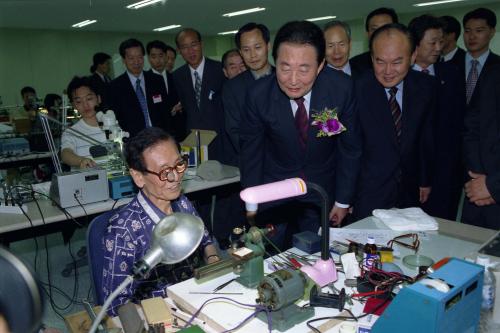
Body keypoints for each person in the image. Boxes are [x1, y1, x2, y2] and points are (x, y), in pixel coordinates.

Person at [240, 20, 361, 249]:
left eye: (304, 69)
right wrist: (252, 203)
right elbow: (251, 153)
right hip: (274, 187)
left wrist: (343, 200)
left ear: (320, 65)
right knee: (269, 253)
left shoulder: (341, 90)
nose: (293, 80)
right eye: (285, 67)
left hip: (321, 188)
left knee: (315, 253)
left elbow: (350, 148)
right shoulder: (258, 96)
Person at [102, 127, 219, 315]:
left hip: (195, 296)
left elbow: (205, 240)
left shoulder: (182, 203)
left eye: (179, 164)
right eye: (164, 172)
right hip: (159, 313)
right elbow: (116, 304)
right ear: (139, 176)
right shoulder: (122, 230)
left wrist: (213, 262)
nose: (175, 178)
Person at [352, 23, 437, 221]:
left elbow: (426, 137)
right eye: (380, 61)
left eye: (397, 62)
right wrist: (345, 198)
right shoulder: (355, 90)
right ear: (372, 57)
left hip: (410, 191)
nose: (388, 71)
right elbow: (346, 148)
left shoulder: (426, 87)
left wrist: (425, 180)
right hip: (366, 193)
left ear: (413, 55)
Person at [409, 15, 466, 220]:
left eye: (440, 42)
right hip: (410, 174)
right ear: (416, 43)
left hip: (445, 171)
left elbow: (459, 122)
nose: (438, 47)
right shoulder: (401, 77)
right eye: (432, 42)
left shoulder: (452, 74)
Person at [223, 22, 274, 165]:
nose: (252, 55)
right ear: (240, 52)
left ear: (268, 46)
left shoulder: (285, 78)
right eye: (246, 50)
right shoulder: (232, 88)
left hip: (290, 163)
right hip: (254, 163)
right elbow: (234, 131)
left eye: (257, 47)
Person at [173, 28, 226, 160]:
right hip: (193, 143)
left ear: (201, 44)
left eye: (194, 45)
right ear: (179, 51)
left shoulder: (220, 70)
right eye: (184, 47)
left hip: (221, 140)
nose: (190, 51)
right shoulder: (177, 76)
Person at [109, 38, 174, 137]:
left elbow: (165, 114)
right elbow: (117, 119)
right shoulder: (115, 86)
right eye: (131, 58)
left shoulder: (157, 80)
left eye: (139, 57)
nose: (136, 62)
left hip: (159, 137)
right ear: (123, 60)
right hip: (133, 141)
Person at [462, 64, 500, 229]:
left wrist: (493, 186)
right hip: (478, 189)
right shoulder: (492, 73)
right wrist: (479, 177)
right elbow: (472, 124)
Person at [60, 76, 106, 169]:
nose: (85, 105)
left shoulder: (114, 124)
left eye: (89, 99)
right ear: (74, 105)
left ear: (99, 98)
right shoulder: (71, 132)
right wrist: (81, 160)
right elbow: (65, 154)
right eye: (78, 101)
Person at [146, 40, 185, 141]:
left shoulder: (175, 78)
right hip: (157, 134)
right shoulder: (145, 81)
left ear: (165, 57)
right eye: (153, 57)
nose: (158, 60)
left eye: (161, 56)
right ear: (149, 58)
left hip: (178, 131)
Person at [462, 8, 499, 106]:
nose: (472, 36)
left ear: (492, 32)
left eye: (478, 31)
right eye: (467, 31)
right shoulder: (448, 67)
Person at [350, 7, 398, 73]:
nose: (379, 33)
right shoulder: (354, 65)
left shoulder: (407, 61)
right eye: (374, 29)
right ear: (367, 34)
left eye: (386, 28)